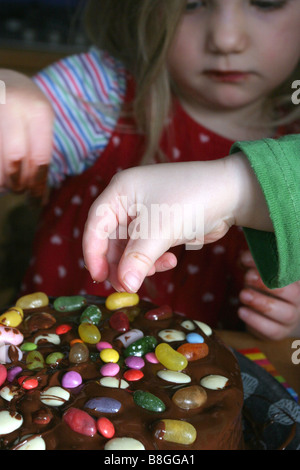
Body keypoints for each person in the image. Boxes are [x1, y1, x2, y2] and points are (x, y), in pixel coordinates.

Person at [0, 0, 299, 339]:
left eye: (267, 2)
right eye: (192, 4)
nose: (226, 39)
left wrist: (292, 322)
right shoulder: (100, 92)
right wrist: (7, 91)